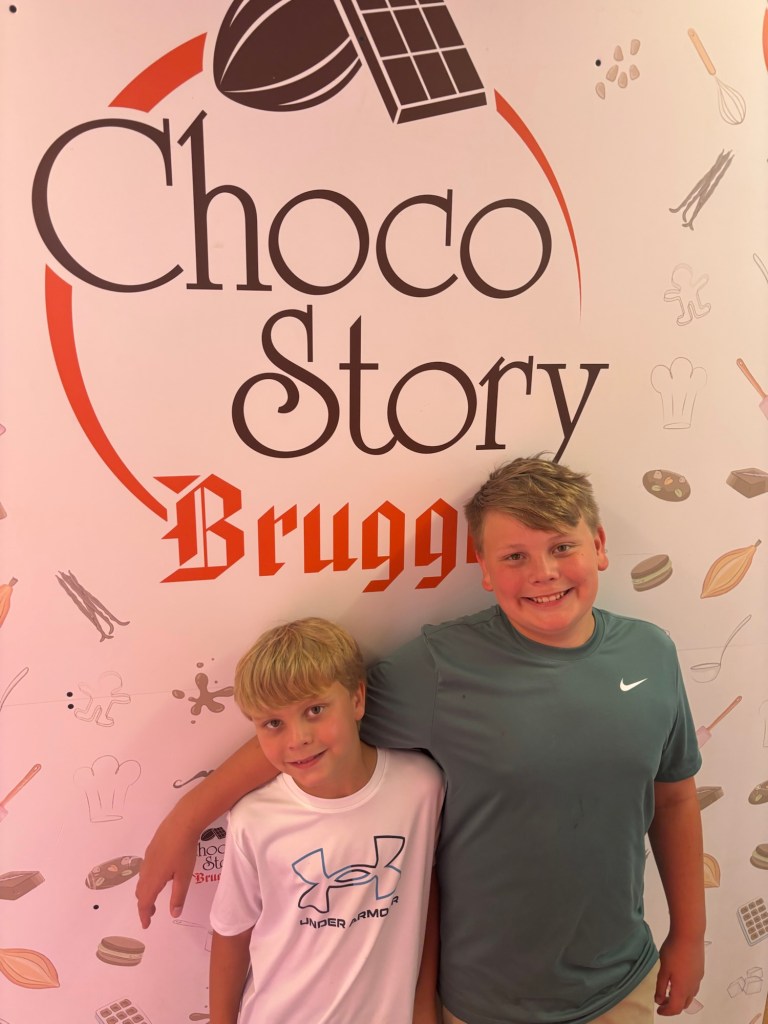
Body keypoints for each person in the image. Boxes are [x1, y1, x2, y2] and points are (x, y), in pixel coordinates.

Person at [137, 457, 705, 1024]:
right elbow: (309, 729)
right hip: (484, 1006)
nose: (543, 572)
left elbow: (675, 798)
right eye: (514, 556)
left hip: (619, 986)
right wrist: (187, 819)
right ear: (484, 569)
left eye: (562, 547)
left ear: (598, 545)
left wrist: (689, 935)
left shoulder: (651, 653)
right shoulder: (439, 666)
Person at [207, 617, 444, 1024]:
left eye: (314, 710)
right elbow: (231, 933)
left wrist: (424, 1007)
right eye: (273, 723)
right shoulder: (254, 819)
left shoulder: (422, 788)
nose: (297, 738)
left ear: (357, 699)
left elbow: (426, 894)